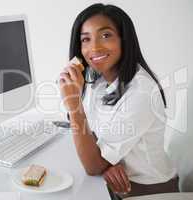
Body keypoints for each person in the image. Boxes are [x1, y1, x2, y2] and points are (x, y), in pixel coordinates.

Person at [59, 3, 179, 199]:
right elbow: (95, 136)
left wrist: (74, 105)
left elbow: (93, 165)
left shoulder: (142, 92)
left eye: (106, 35)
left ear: (124, 39)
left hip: (148, 190)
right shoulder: (98, 79)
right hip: (117, 181)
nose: (94, 47)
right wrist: (106, 162)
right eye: (86, 39)